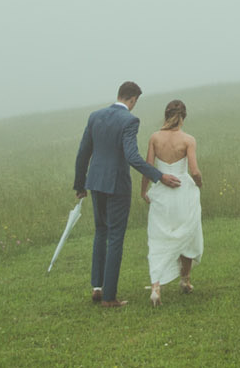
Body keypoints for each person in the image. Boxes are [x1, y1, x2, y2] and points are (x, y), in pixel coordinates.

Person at [73, 81, 180, 307]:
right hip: (116, 185)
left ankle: (97, 286)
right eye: (135, 102)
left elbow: (84, 152)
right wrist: (159, 177)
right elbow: (132, 156)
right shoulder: (129, 120)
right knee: (116, 237)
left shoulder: (95, 116)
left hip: (95, 182)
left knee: (100, 232)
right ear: (132, 99)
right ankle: (109, 297)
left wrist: (79, 184)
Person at [140, 99, 203, 306]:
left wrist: (144, 191)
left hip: (161, 192)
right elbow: (194, 171)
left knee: (159, 237)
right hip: (182, 191)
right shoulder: (188, 140)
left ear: (166, 115)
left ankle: (156, 286)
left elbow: (148, 167)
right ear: (182, 117)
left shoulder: (155, 138)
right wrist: (199, 183)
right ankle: (185, 280)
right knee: (186, 234)